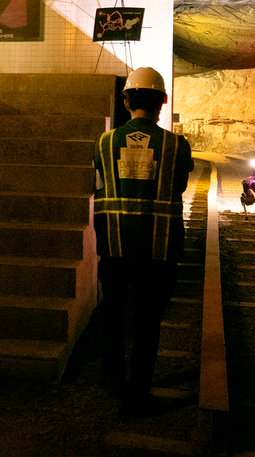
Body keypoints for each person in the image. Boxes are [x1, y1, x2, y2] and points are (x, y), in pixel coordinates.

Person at [93, 67, 195, 420]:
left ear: (126, 102)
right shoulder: (176, 145)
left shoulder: (103, 142)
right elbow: (179, 186)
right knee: (147, 322)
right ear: (163, 101)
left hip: (114, 244)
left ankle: (113, 380)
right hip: (159, 246)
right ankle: (137, 395)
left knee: (113, 312)